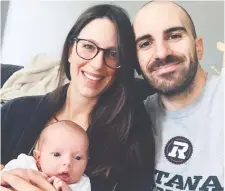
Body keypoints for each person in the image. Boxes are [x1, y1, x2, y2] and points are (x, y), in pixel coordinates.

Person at [1, 4, 155, 191]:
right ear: (69, 51)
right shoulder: (15, 112)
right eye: (88, 47)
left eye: (113, 54)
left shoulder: (133, 134)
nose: (97, 64)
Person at [133, 1, 224, 190]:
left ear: (198, 47)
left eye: (174, 36)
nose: (161, 53)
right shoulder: (135, 119)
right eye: (145, 43)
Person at [2, 120, 90, 191]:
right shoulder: (26, 163)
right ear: (38, 158)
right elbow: (4, 176)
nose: (68, 162)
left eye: (78, 158)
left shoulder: (82, 184)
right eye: (57, 154)